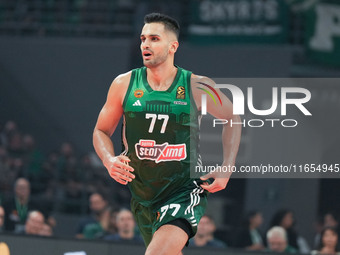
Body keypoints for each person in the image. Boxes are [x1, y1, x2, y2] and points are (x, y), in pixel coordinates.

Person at [93, 13, 241, 255]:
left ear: (173, 46)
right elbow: (101, 130)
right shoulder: (123, 84)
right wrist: (108, 160)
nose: (145, 45)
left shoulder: (197, 85)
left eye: (154, 38)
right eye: (143, 39)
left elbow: (232, 118)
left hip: (183, 190)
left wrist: (227, 166)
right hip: (142, 195)